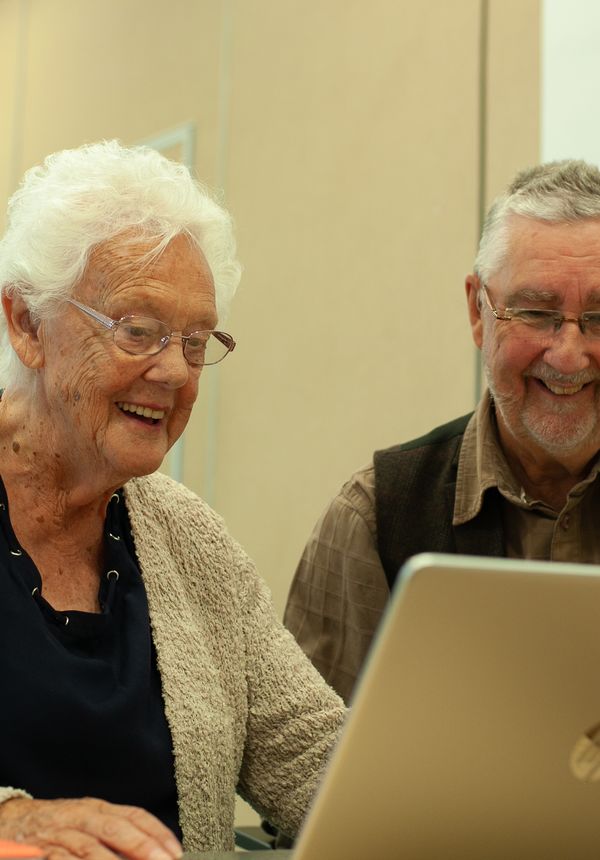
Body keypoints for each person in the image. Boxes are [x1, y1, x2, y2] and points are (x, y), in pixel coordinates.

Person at [0, 140, 346, 859]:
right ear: (28, 323)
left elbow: (319, 758)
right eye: (138, 330)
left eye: (194, 342)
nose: (173, 372)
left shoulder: (189, 539)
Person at [284, 158, 600, 704]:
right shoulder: (376, 517)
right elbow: (310, 770)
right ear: (478, 311)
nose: (570, 355)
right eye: (534, 312)